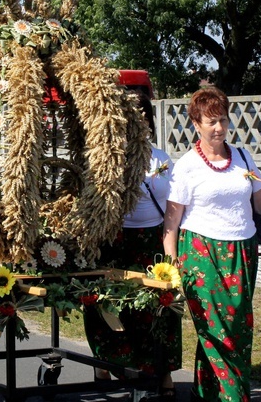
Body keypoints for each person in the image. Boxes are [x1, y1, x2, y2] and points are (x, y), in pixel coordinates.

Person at [163, 86, 261, 402]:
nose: (218, 128)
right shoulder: (186, 166)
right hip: (200, 254)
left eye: (223, 121)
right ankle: (235, 397)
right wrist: (172, 270)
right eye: (210, 122)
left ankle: (205, 394)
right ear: (196, 124)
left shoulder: (244, 158)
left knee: (237, 328)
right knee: (219, 329)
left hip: (242, 252)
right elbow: (171, 224)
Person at [84, 93, 182, 401]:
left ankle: (162, 373)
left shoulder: (161, 158)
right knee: (111, 308)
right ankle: (107, 366)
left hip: (153, 239)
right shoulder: (106, 155)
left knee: (161, 307)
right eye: (131, 115)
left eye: (143, 115)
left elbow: (172, 206)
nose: (138, 121)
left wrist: (172, 248)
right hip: (115, 239)